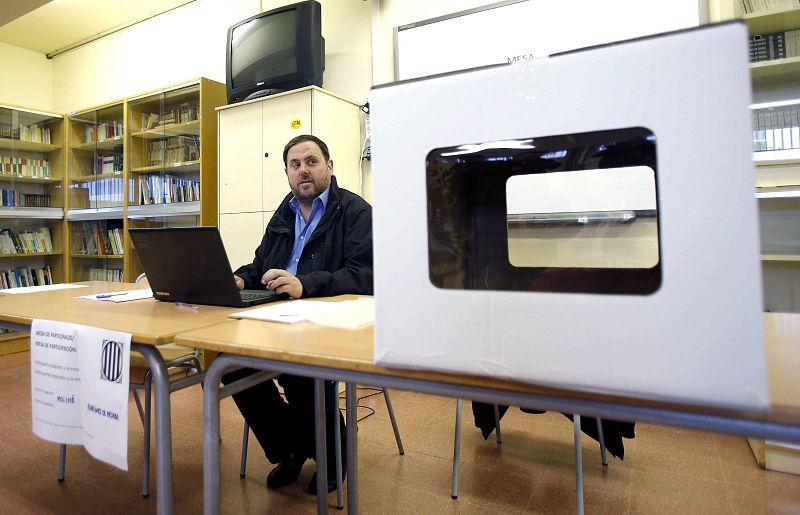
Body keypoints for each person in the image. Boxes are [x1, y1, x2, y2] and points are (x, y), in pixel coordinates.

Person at [223, 134, 373, 495]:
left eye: (311, 161)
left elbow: (365, 274)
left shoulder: (355, 211)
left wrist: (305, 284)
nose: (303, 170)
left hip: (326, 317)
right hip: (277, 314)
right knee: (230, 362)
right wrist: (241, 278)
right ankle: (290, 447)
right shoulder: (283, 211)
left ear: (329, 167)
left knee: (299, 370)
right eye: (295, 164)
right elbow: (262, 263)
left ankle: (332, 453)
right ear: (287, 173)